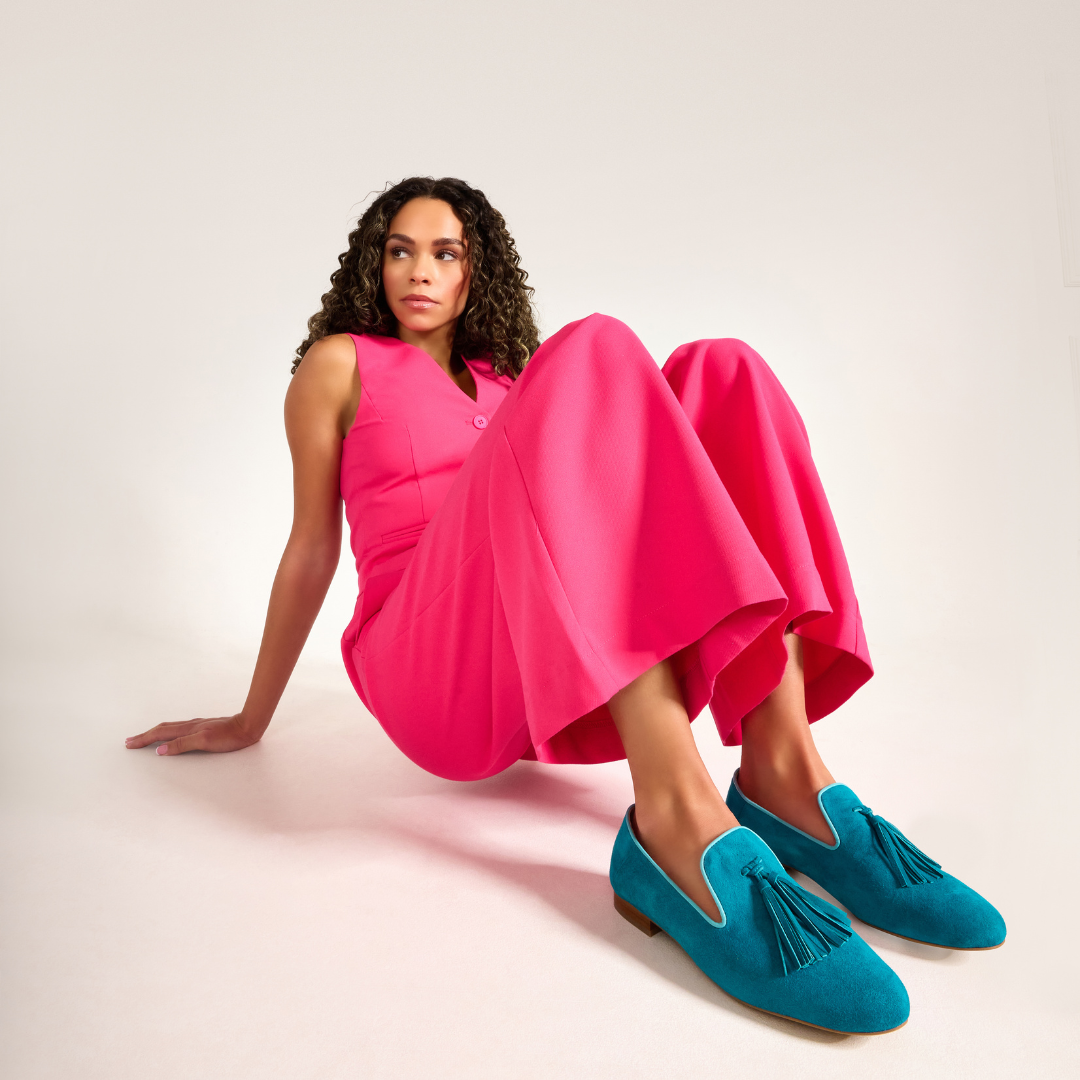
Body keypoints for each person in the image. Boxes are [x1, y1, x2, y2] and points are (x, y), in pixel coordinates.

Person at [126, 176, 1005, 1034]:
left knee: (721, 369)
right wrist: (252, 717)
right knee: (594, 348)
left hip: (530, 661)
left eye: (444, 253)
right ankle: (675, 817)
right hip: (421, 662)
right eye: (399, 251)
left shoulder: (503, 379)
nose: (418, 272)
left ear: (476, 273)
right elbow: (312, 545)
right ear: (373, 265)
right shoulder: (341, 364)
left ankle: (785, 774)